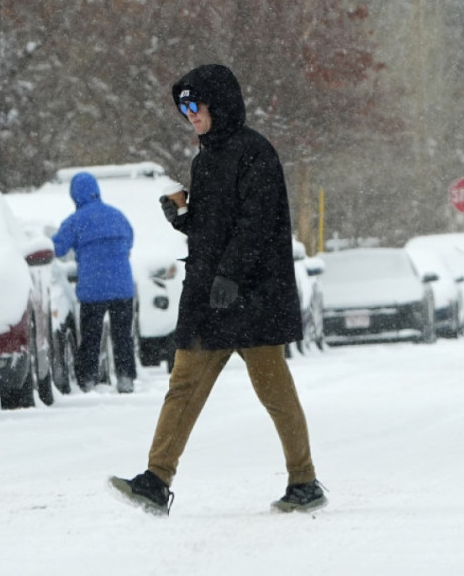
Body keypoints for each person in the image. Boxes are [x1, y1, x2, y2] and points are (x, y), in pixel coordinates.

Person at [109, 64, 327, 514]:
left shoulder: (255, 153)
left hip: (253, 297)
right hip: (211, 297)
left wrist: (230, 274)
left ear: (220, 104)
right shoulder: (205, 159)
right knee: (183, 385)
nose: (189, 113)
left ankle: (304, 482)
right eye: (183, 106)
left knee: (274, 392)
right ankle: (156, 480)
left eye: (196, 104)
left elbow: (256, 224)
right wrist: (184, 219)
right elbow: (215, 228)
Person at [52, 172, 137, 394]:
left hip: (93, 288)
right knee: (123, 336)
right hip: (122, 286)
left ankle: (87, 379)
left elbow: (57, 248)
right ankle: (125, 378)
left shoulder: (75, 221)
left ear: (75, 195)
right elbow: (129, 239)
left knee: (90, 336)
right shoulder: (117, 215)